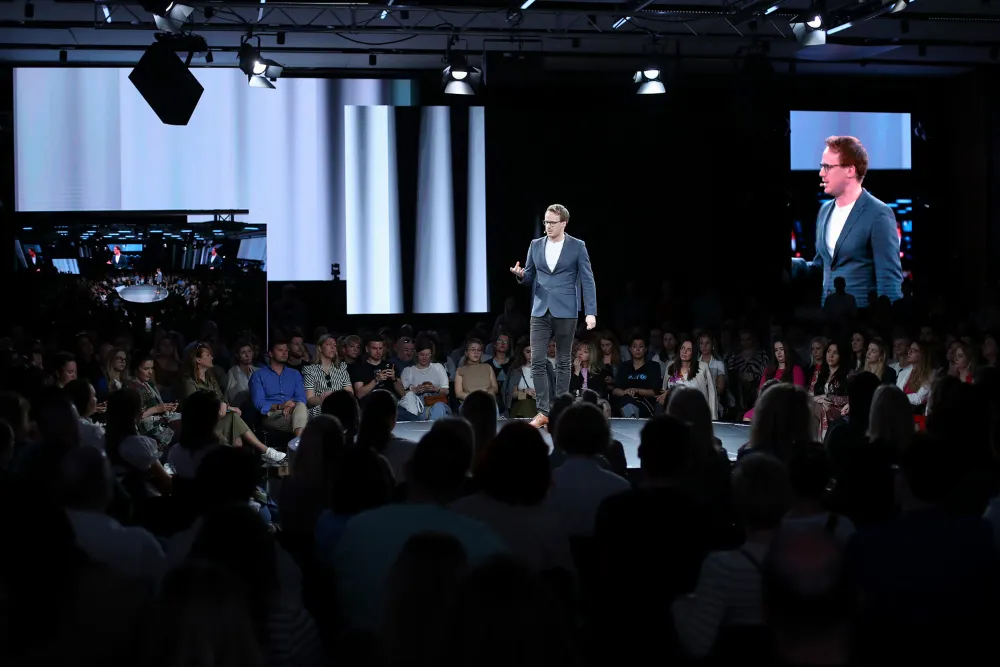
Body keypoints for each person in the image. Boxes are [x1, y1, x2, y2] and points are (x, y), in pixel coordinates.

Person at [509, 204, 597, 429]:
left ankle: (560, 408)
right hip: (539, 310)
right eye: (546, 222)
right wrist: (521, 275)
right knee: (537, 361)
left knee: (564, 361)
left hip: (566, 309)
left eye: (552, 223)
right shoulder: (535, 245)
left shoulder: (577, 246)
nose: (548, 226)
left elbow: (587, 280)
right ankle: (544, 411)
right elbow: (529, 276)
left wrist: (590, 312)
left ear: (564, 223)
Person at [791, 136, 903, 308]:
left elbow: (889, 279)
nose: (821, 173)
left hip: (861, 319)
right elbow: (823, 266)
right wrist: (795, 266)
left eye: (827, 167)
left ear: (850, 170)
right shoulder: (825, 211)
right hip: (828, 318)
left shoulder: (879, 214)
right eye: (822, 167)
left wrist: (887, 322)